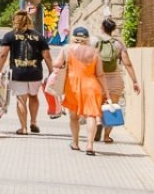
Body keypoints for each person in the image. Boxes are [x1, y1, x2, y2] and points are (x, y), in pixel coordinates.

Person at [0, 9, 48, 135]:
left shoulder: (9, 36)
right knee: (34, 96)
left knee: (21, 99)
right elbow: (47, 56)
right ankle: (33, 122)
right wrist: (52, 71)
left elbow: (3, 54)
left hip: (18, 73)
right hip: (35, 72)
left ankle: (23, 128)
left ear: (15, 20)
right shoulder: (39, 36)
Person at [60, 25, 107, 155]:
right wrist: (106, 92)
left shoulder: (68, 50)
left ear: (73, 37)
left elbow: (57, 64)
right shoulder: (95, 52)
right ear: (87, 39)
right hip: (91, 86)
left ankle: (75, 143)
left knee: (74, 117)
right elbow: (100, 74)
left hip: (72, 86)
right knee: (91, 116)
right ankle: (90, 145)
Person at [95, 16, 142, 144]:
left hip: (98, 81)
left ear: (102, 27)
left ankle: (97, 125)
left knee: (96, 106)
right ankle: (107, 136)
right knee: (112, 107)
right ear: (113, 29)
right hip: (115, 81)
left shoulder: (96, 43)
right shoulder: (118, 44)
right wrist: (135, 81)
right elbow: (127, 64)